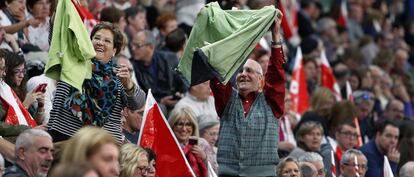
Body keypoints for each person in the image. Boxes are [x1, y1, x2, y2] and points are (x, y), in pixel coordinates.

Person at [210, 16, 285, 177]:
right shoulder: (227, 99)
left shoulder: (272, 102)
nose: (243, 74)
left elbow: (276, 74)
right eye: (241, 71)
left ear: (261, 80)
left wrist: (276, 36)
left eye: (249, 71)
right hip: (227, 174)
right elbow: (218, 74)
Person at [47, 22, 146, 143]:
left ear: (114, 51)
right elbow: (57, 37)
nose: (100, 43)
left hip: (103, 145)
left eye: (107, 41)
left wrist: (128, 85)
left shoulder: (118, 76)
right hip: (66, 139)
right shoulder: (70, 63)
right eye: (97, 38)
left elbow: (138, 103)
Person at [130, 30, 186, 112]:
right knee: (160, 108)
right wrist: (161, 101)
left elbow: (184, 82)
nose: (133, 49)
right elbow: (138, 96)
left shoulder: (170, 59)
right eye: (132, 45)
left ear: (151, 47)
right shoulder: (131, 66)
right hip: (151, 105)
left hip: (173, 101)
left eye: (137, 46)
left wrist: (181, 94)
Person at [168, 107, 208, 177]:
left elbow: (215, 171)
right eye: (180, 124)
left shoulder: (202, 144)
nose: (184, 129)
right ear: (172, 126)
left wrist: (204, 158)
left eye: (188, 124)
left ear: (193, 127)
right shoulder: (166, 146)